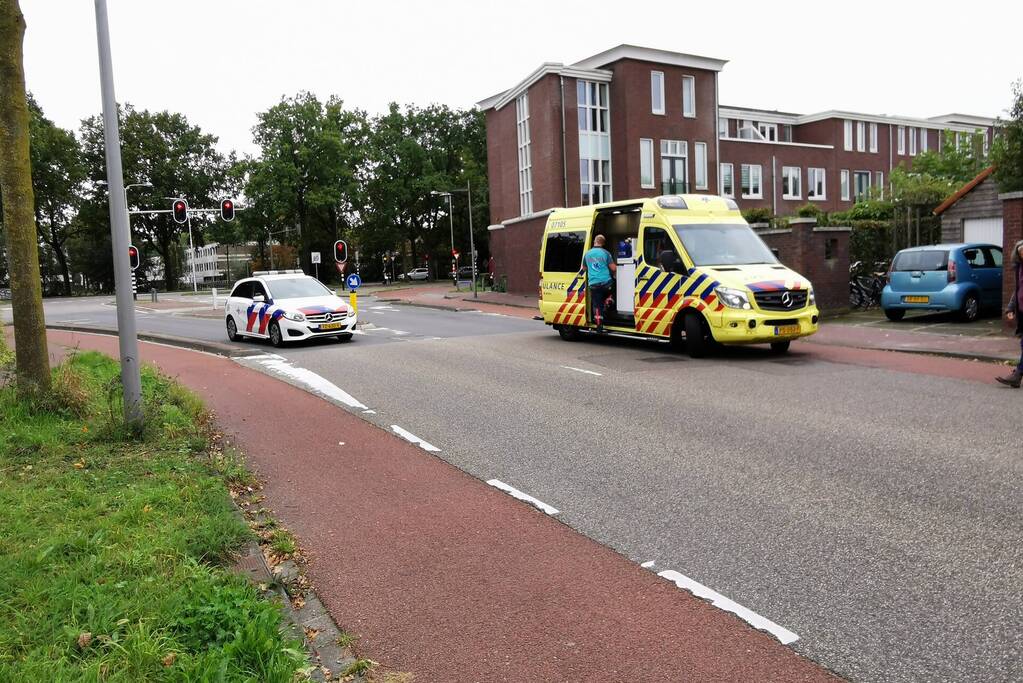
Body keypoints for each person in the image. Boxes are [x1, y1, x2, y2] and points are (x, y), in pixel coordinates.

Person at [997, 239, 1023, 388]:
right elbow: (1017, 290)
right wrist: (1010, 308)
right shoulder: (1019, 268)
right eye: (1020, 251)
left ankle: (1017, 374)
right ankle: (1017, 375)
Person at [584, 234, 616, 333]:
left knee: (597, 305)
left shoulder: (587, 254)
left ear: (594, 241)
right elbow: (613, 268)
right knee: (613, 290)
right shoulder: (606, 253)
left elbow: (584, 268)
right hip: (606, 283)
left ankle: (599, 325)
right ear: (603, 243)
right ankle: (609, 299)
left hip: (594, 284)